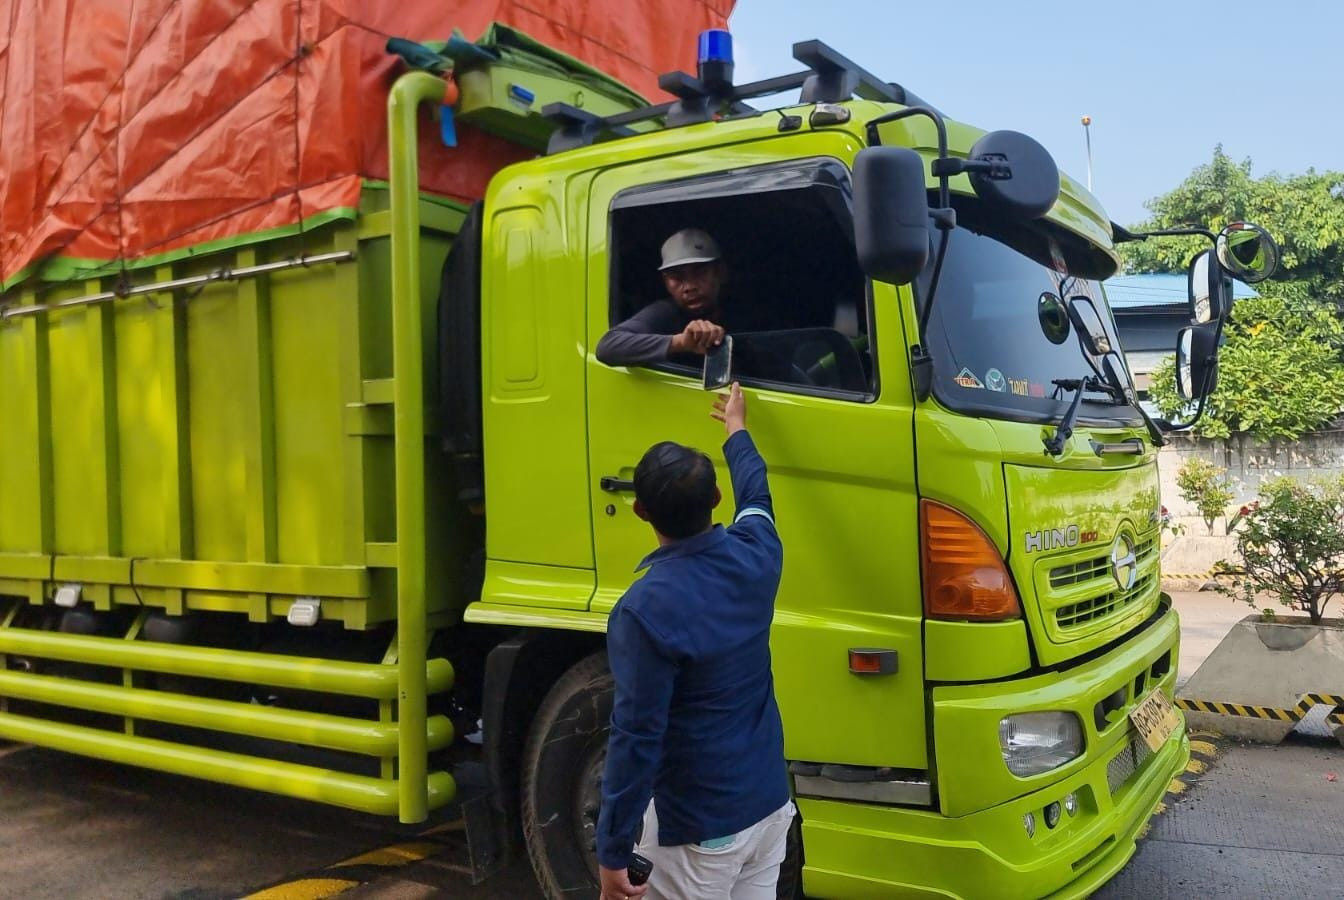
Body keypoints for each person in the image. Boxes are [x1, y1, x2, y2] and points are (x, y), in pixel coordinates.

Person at [596, 383, 793, 900]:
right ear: (716, 499)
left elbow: (637, 737)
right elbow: (758, 495)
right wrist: (737, 430)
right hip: (769, 809)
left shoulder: (644, 610)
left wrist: (612, 850)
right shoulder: (758, 554)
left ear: (640, 510)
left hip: (701, 832)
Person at [596, 227, 734, 367]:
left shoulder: (738, 308)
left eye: (699, 273)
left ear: (720, 272)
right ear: (666, 282)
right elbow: (607, 347)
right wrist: (680, 342)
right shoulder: (666, 312)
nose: (689, 287)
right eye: (677, 277)